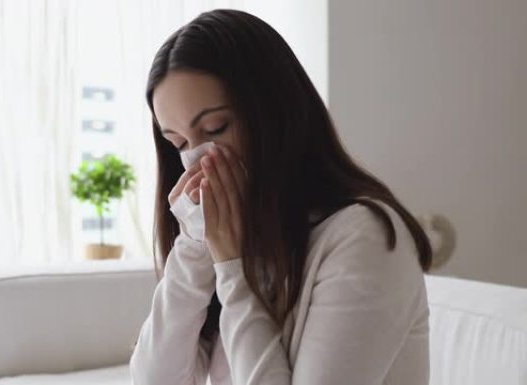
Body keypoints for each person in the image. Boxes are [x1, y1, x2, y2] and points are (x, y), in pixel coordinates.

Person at [129, 8, 432, 385]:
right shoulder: (243, 238)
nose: (197, 162)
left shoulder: (362, 237)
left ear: (275, 113)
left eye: (215, 128)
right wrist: (195, 245)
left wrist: (232, 266)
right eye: (178, 143)